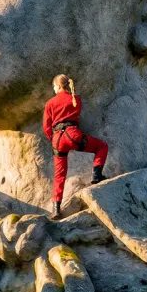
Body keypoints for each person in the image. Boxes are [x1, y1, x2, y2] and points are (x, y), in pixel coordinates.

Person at [42, 74, 109, 219]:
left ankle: (56, 209)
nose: (54, 89)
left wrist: (52, 138)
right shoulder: (75, 99)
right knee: (101, 147)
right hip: (73, 135)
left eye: (54, 86)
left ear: (58, 86)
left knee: (59, 175)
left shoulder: (50, 103)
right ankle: (97, 176)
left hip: (57, 140)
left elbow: (46, 126)